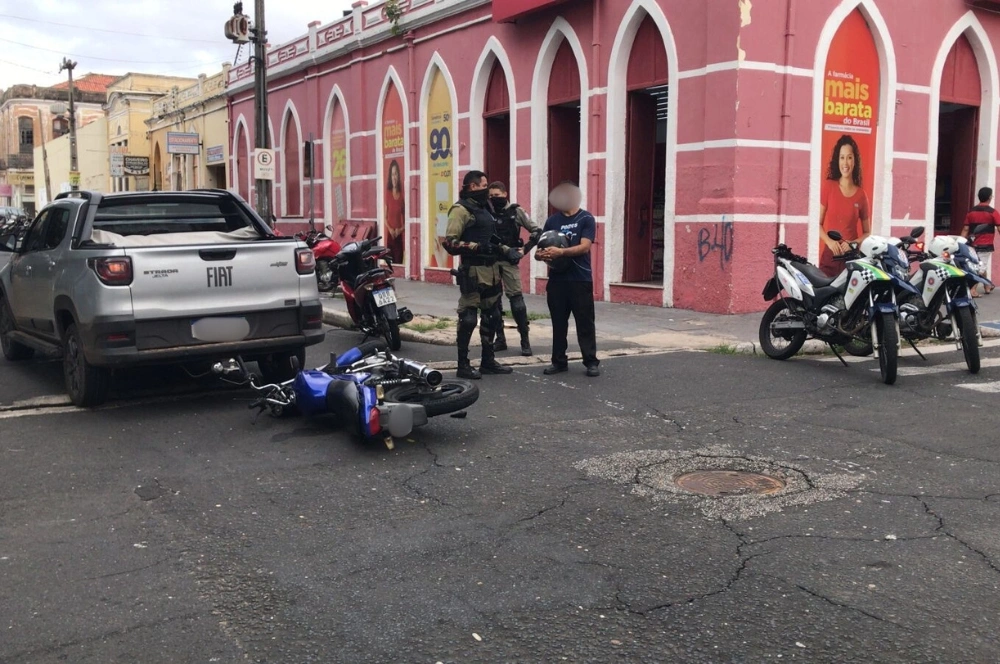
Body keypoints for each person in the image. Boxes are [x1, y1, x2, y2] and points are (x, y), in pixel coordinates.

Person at [444, 170, 523, 380]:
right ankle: (463, 364)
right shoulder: (460, 210)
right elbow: (450, 243)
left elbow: (493, 238)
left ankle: (488, 361)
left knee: (493, 316)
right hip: (473, 271)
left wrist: (507, 251)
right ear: (472, 187)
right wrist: (476, 247)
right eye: (484, 185)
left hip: (492, 271)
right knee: (469, 318)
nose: (487, 189)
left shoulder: (484, 208)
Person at [535, 181, 600, 377]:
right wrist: (541, 255)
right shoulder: (552, 221)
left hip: (580, 280)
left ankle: (591, 361)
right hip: (557, 281)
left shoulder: (586, 218)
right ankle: (558, 361)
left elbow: (585, 246)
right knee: (558, 323)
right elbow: (540, 250)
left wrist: (561, 252)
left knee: (585, 322)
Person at [484, 181, 541, 356]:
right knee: (493, 302)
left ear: (505, 194)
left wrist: (525, 250)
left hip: (509, 262)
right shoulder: (486, 212)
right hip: (491, 261)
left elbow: (537, 231)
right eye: (491, 196)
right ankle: (500, 339)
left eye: (497, 196)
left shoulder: (516, 211)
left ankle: (525, 340)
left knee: (517, 302)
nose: (494, 199)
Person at [819, 134, 871, 276]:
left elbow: (867, 233)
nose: (845, 163)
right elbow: (817, 224)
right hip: (830, 257)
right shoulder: (829, 187)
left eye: (849, 157)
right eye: (842, 157)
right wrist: (829, 242)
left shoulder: (861, 195)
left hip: (851, 260)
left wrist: (852, 244)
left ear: (855, 160)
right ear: (838, 160)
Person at [962, 186, 1000, 295]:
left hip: (972, 244)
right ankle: (973, 289)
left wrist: (960, 242)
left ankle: (987, 285)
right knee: (980, 267)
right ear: (989, 197)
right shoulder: (993, 212)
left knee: (979, 264)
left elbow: (965, 229)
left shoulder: (971, 212)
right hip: (985, 244)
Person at [384, 159, 405, 262]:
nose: (394, 177)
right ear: (390, 176)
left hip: (398, 237)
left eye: (396, 174)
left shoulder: (402, 196)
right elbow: (384, 217)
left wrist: (399, 230)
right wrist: (390, 229)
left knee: (398, 262)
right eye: (392, 175)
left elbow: (406, 221)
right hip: (390, 236)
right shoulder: (387, 194)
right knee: (390, 265)